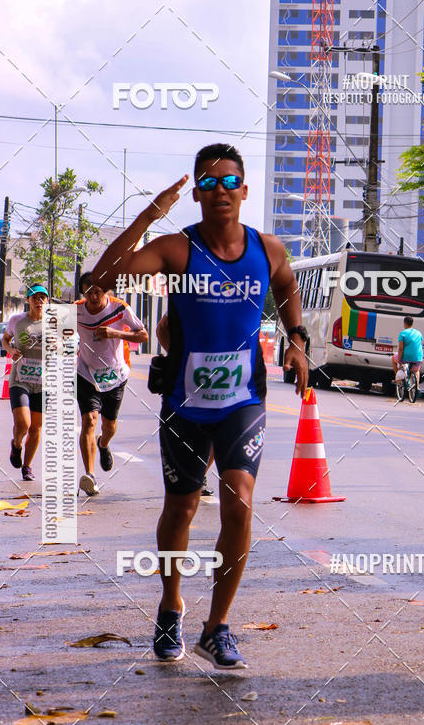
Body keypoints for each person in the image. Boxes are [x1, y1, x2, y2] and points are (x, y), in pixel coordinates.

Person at [92, 143, 307, 669]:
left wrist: (297, 339)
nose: (220, 193)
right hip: (186, 405)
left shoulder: (269, 249)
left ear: (245, 190)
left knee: (239, 502)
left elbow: (286, 286)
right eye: (208, 185)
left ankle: (218, 625)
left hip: (243, 402)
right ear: (196, 194)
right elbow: (103, 279)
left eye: (230, 183)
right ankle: (170, 604)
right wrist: (150, 213)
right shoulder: (177, 250)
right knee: (182, 507)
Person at [75, 272, 148, 495]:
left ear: (105, 291)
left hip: (115, 375)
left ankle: (104, 444)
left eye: (98, 291)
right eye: (89, 292)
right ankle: (90, 475)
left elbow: (143, 335)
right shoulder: (75, 310)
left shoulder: (120, 308)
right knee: (89, 420)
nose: (94, 296)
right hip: (86, 374)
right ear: (83, 293)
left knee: (109, 426)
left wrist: (115, 333)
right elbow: (55, 330)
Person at [156, 312, 215, 496]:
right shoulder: (194, 294)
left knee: (217, 434)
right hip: (188, 382)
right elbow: (162, 328)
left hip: (223, 383)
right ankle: (188, 479)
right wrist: (178, 358)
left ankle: (200, 475)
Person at [2, 284, 48, 481]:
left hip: (44, 382)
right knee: (23, 424)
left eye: (42, 298)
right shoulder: (17, 320)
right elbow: (5, 340)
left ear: (47, 301)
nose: (39, 301)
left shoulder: (56, 322)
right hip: (20, 379)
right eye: (34, 298)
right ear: (28, 300)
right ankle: (16, 445)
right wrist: (11, 350)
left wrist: (59, 346)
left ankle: (27, 467)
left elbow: (69, 348)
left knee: (36, 428)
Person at [392, 315, 424, 388]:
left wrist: (399, 361)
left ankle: (399, 381)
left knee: (393, 359)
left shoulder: (403, 333)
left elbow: (400, 349)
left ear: (404, 323)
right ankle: (417, 387)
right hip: (418, 357)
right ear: (412, 323)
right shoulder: (419, 333)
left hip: (406, 357)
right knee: (416, 371)